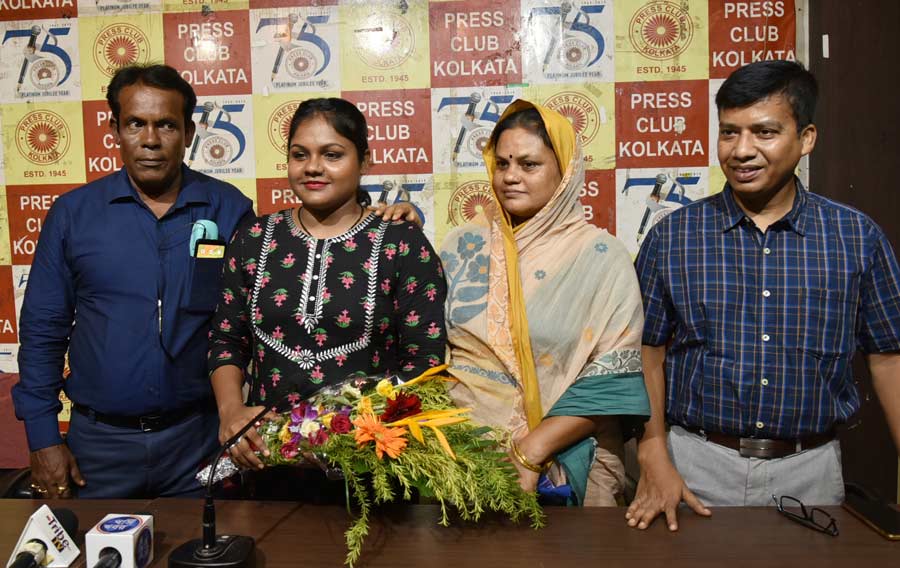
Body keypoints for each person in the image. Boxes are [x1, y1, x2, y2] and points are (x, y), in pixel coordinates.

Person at [628, 60, 900, 530]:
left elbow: (889, 358)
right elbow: (645, 353)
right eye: (729, 133)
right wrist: (654, 457)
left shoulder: (857, 238)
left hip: (811, 472)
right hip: (695, 465)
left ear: (806, 138)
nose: (742, 150)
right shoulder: (673, 238)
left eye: (764, 132)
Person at [13, 64, 254, 498]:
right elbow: (42, 330)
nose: (150, 140)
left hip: (199, 444)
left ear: (189, 133)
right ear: (115, 130)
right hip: (99, 452)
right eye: (136, 124)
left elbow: (271, 296)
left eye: (166, 125)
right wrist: (43, 437)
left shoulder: (229, 210)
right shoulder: (73, 215)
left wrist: (379, 223)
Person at [209, 98, 447, 476]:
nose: (313, 167)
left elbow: (425, 363)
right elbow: (226, 339)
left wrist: (350, 436)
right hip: (264, 460)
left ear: (364, 161)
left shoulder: (401, 243)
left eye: (332, 154)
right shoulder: (253, 238)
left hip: (371, 464)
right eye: (300, 155)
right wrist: (232, 413)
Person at [440, 100, 650, 506]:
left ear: (565, 170)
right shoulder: (462, 246)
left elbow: (611, 382)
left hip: (567, 465)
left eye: (529, 165)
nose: (511, 177)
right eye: (502, 164)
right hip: (462, 466)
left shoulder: (601, 258)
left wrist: (528, 452)